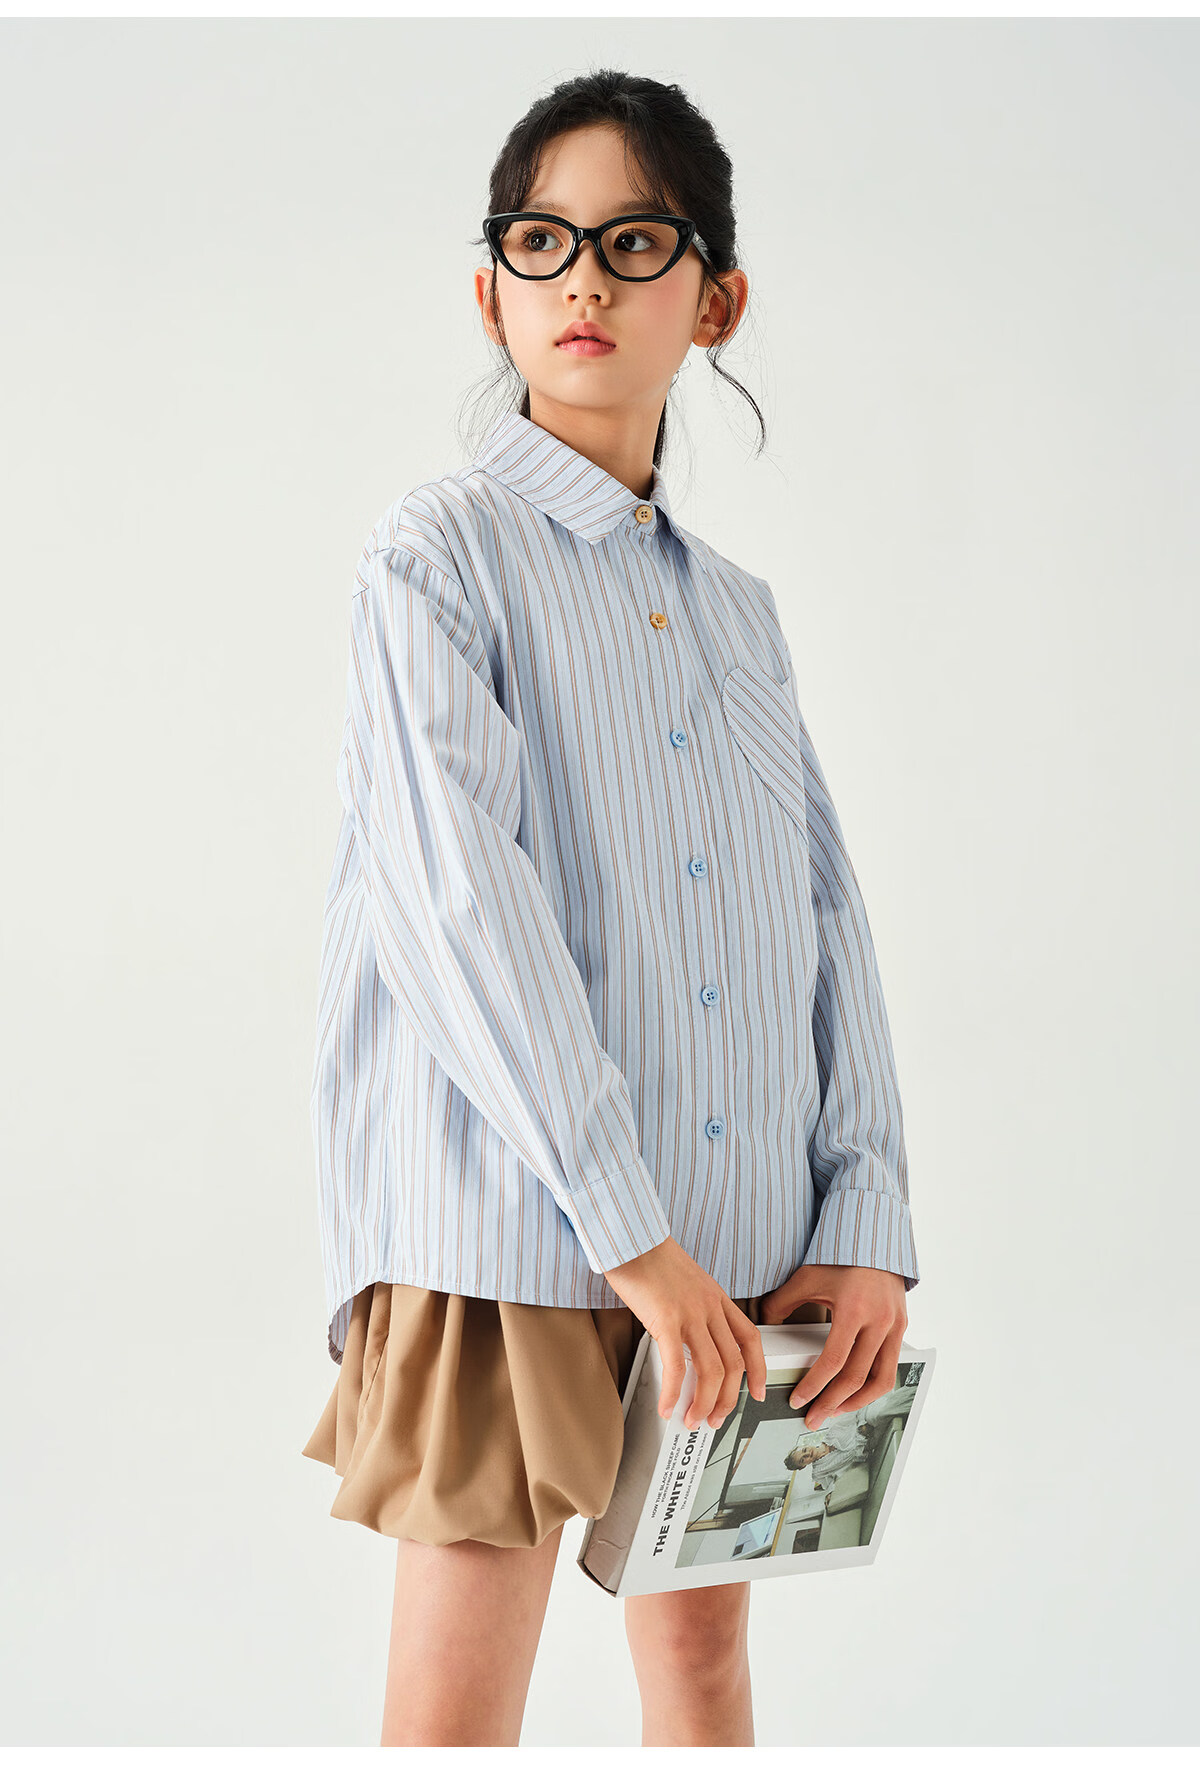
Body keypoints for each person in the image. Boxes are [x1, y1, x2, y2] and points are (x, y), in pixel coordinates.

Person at [300, 68, 921, 1749]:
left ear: (714, 301)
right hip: (509, 1228)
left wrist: (866, 1211)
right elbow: (458, 907)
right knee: (457, 1712)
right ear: (489, 290)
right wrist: (630, 1238)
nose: (583, 277)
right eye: (543, 240)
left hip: (735, 1240)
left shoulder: (737, 611)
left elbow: (822, 912)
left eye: (636, 242)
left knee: (703, 1672)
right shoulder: (437, 555)